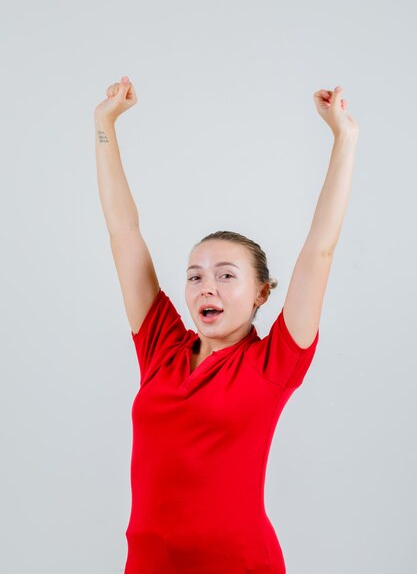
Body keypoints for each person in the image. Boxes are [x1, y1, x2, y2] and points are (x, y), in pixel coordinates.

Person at [94, 76, 359, 573]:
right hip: (148, 562)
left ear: (262, 292)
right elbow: (123, 230)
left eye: (225, 276)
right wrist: (104, 125)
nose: (205, 288)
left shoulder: (273, 363)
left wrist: (344, 138)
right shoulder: (161, 348)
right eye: (195, 276)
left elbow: (319, 250)